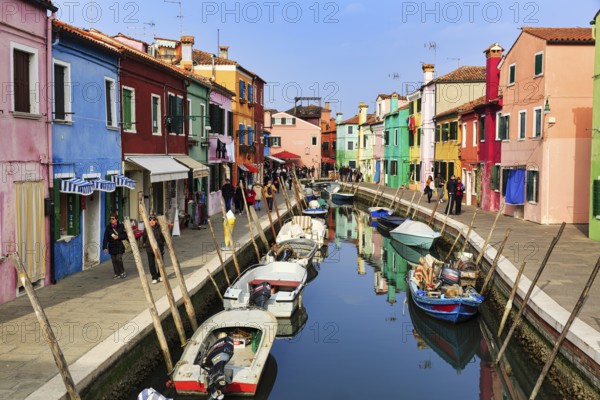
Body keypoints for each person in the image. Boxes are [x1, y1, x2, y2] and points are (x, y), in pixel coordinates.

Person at [102, 213, 127, 279]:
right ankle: (117, 273)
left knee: (118, 259)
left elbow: (125, 235)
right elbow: (105, 238)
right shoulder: (108, 227)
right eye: (110, 219)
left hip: (120, 245)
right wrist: (104, 247)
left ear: (116, 219)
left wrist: (118, 237)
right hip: (112, 246)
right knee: (114, 260)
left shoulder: (121, 226)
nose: (111, 220)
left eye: (113, 219)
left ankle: (122, 272)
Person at [142, 214, 165, 284]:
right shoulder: (146, 229)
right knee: (151, 264)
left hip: (158, 247)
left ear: (156, 221)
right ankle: (154, 277)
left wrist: (161, 244)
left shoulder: (160, 228)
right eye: (150, 220)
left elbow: (163, 238)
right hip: (149, 248)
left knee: (160, 263)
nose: (151, 221)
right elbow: (144, 238)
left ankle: (160, 275)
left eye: (153, 220)